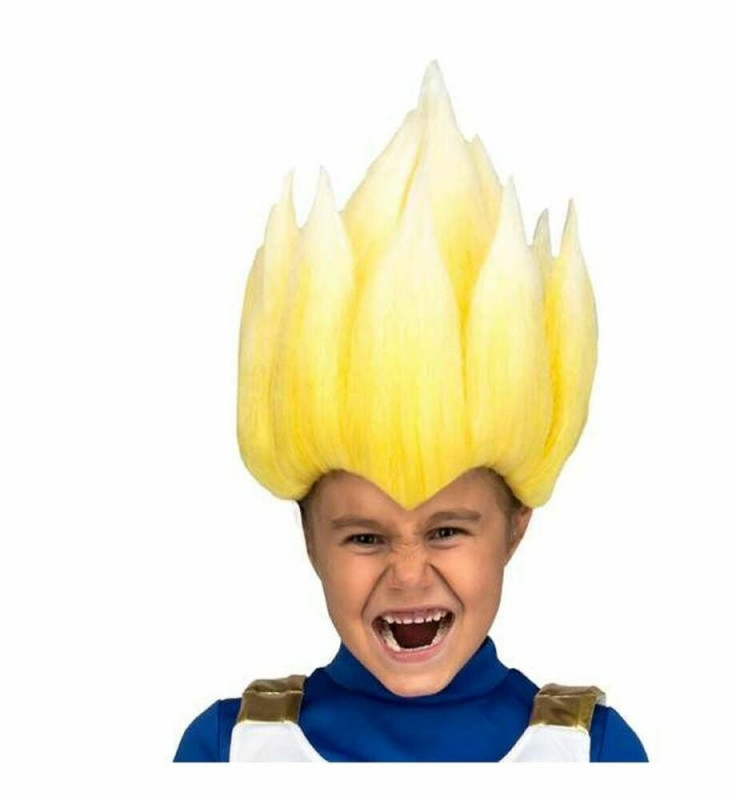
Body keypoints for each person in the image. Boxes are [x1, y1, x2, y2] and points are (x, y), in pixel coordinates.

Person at [174, 62, 648, 762]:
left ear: (515, 528)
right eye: (365, 537)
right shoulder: (231, 748)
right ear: (308, 538)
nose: (408, 573)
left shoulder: (591, 754)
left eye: (447, 530)